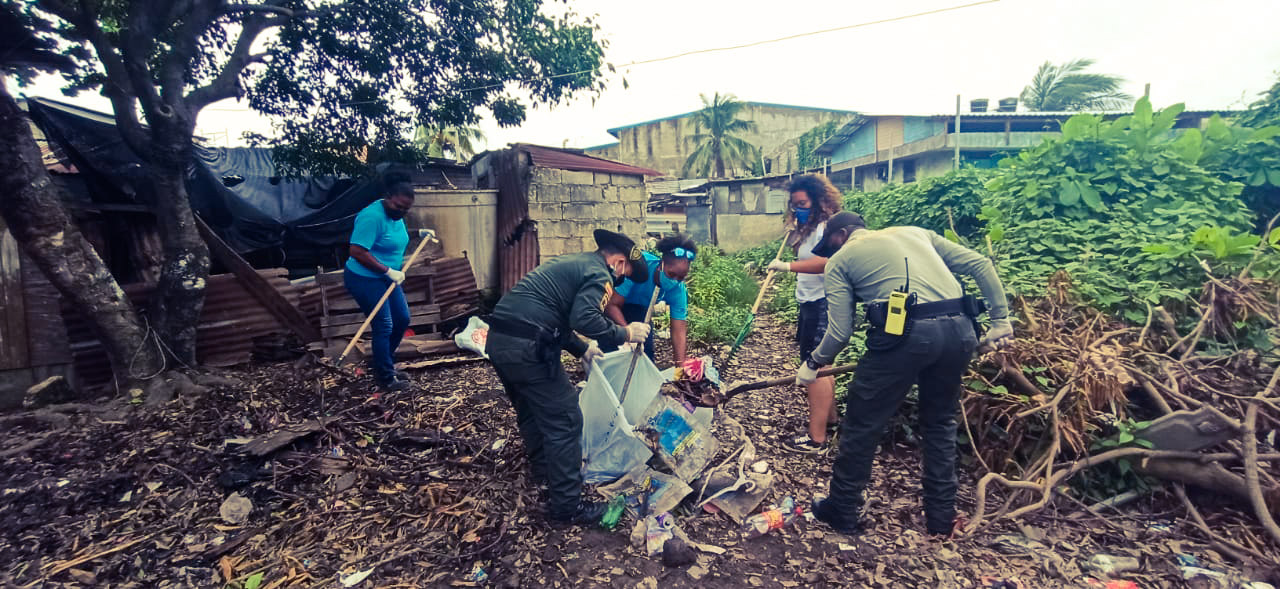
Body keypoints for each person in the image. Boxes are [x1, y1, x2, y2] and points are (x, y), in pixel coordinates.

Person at [797, 211, 1015, 537]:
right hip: (960, 329)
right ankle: (940, 518)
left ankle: (841, 508)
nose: (831, 253)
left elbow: (840, 331)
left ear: (839, 236)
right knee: (940, 422)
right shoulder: (916, 232)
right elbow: (981, 264)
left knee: (862, 422)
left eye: (830, 246)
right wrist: (1000, 320)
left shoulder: (841, 260)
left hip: (905, 336)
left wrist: (813, 363)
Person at [485, 229, 652, 526]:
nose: (619, 282)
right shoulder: (599, 274)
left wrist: (581, 348)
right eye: (623, 275)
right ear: (618, 262)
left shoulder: (575, 263)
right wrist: (625, 333)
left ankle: (545, 472)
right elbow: (584, 318)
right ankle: (567, 507)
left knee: (531, 409)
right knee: (566, 419)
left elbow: (553, 315)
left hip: (500, 341)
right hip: (528, 350)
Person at [766, 174, 842, 453]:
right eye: (794, 205)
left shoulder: (826, 228)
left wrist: (787, 267)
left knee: (816, 366)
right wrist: (796, 234)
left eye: (803, 204)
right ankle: (830, 421)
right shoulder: (808, 228)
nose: (798, 209)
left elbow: (828, 262)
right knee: (823, 364)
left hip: (824, 301)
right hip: (809, 301)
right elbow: (805, 253)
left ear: (818, 201)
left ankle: (816, 439)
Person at [343, 179, 416, 393]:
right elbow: (357, 251)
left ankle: (384, 364)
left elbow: (390, 238)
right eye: (398, 206)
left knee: (402, 319)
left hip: (386, 276)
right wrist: (388, 271)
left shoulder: (395, 216)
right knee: (384, 324)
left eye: (406, 209)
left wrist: (418, 233)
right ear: (388, 197)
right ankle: (386, 377)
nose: (401, 212)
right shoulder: (372, 217)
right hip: (364, 277)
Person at [600, 234, 696, 366]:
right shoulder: (639, 267)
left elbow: (678, 330)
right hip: (613, 306)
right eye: (671, 274)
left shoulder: (678, 290)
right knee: (612, 352)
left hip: (641, 310)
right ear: (661, 264)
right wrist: (628, 333)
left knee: (644, 355)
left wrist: (680, 367)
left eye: (681, 277)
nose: (675, 281)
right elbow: (611, 305)